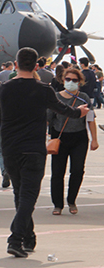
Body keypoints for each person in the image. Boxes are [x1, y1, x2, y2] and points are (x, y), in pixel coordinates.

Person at [0, 47, 88, 258]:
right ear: (36, 67)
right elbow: (64, 110)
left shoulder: (5, 88)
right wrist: (81, 112)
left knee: (20, 194)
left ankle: (28, 238)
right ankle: (15, 239)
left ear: (16, 65)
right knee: (28, 196)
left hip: (10, 149)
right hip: (33, 149)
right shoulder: (44, 90)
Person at [48, 68, 98, 215]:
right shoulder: (55, 97)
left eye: (75, 80)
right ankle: (57, 204)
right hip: (59, 138)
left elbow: (90, 120)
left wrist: (94, 139)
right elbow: (47, 119)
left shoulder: (84, 98)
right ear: (63, 80)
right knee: (57, 172)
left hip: (79, 138)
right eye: (68, 79)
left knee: (77, 170)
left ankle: (71, 200)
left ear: (80, 82)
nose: (71, 82)